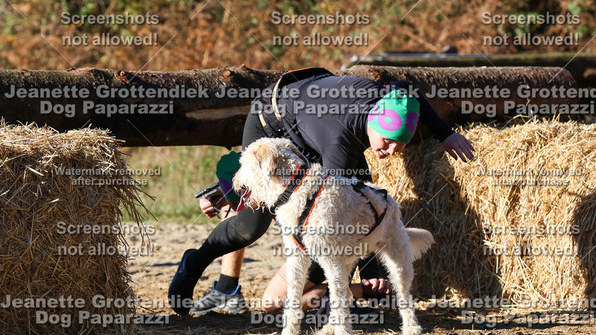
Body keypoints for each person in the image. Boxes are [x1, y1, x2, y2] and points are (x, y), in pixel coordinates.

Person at [168, 67, 474, 316]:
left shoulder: (391, 100)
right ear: (373, 123)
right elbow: (342, 213)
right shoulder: (339, 142)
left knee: (350, 200)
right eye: (387, 141)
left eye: (400, 144)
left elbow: (410, 90)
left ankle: (338, 290)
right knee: (253, 223)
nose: (392, 151)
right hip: (273, 120)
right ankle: (196, 261)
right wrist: (364, 271)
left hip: (314, 119)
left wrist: (445, 134)